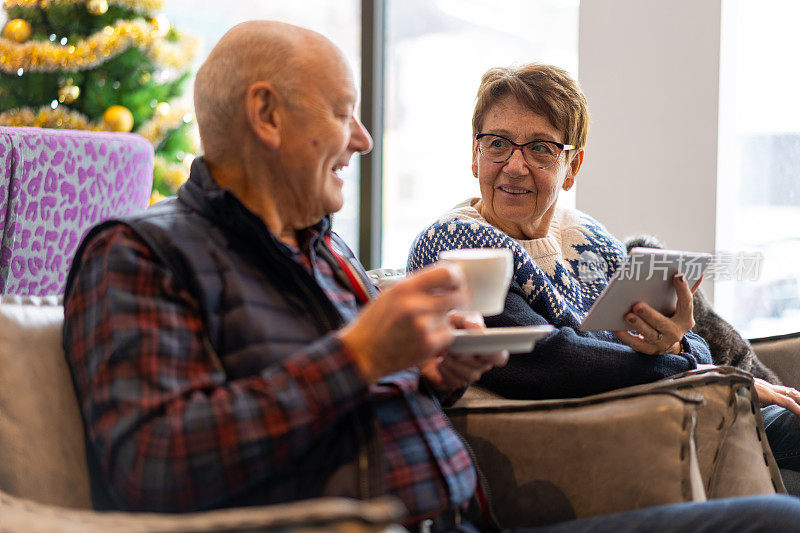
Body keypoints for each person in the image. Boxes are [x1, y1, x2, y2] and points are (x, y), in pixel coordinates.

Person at [62, 21, 800, 532]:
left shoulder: (327, 254)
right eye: (345, 113)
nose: (364, 138)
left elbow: (369, 397)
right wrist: (357, 356)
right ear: (266, 115)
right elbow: (152, 465)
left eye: (540, 148)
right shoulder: (141, 253)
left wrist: (438, 373)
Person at [407, 63, 800, 478]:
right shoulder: (456, 245)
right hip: (633, 436)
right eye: (498, 144)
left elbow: (688, 345)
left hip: (690, 413)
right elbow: (550, 360)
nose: (515, 166)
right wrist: (700, 374)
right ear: (475, 154)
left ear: (572, 167)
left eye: (541, 148)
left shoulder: (585, 235)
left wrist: (678, 349)